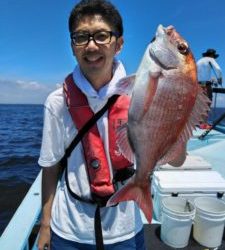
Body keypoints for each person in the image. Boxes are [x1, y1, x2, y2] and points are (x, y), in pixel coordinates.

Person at [37, 1, 187, 249]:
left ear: (119, 45)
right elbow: (51, 168)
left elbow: (178, 161)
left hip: (125, 229)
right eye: (81, 37)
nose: (91, 45)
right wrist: (45, 225)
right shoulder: (56, 102)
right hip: (69, 230)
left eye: (102, 36)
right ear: (73, 47)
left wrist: (179, 117)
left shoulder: (142, 93)